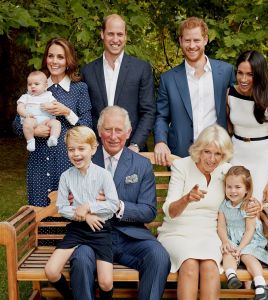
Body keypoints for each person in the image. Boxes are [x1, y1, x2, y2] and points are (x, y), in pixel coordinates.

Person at [69, 106, 171, 300]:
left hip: (130, 237)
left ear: (128, 133)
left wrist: (117, 206)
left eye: (119, 130)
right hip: (92, 236)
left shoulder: (141, 165)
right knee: (81, 260)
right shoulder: (83, 160)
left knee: (158, 256)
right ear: (99, 132)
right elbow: (72, 201)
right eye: (108, 129)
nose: (113, 136)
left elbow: (148, 211)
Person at [157, 125, 261, 300]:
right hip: (178, 231)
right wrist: (186, 199)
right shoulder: (181, 166)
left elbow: (244, 194)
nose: (212, 159)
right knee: (189, 264)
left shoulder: (226, 170)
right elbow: (169, 212)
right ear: (199, 150)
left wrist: (255, 204)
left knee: (210, 265)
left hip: (210, 232)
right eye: (207, 152)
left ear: (224, 155)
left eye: (218, 154)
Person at [13, 37, 92, 206]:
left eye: (60, 57)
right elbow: (15, 124)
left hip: (68, 161)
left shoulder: (79, 89)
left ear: (68, 60)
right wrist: (33, 132)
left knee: (69, 215)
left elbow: (88, 127)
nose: (54, 61)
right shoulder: (36, 85)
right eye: (50, 56)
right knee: (40, 214)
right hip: (39, 160)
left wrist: (67, 112)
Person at [45, 126, 119, 300]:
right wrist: (84, 216)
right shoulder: (66, 176)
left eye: (81, 148)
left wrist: (88, 207)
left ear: (93, 149)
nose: (76, 154)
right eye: (71, 150)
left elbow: (113, 204)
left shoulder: (104, 175)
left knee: (106, 282)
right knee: (51, 271)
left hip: (100, 230)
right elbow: (62, 207)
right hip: (77, 230)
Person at [154, 17, 235, 165]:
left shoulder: (225, 72)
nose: (192, 46)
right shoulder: (168, 78)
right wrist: (160, 141)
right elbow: (162, 117)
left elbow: (237, 108)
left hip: (218, 153)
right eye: (187, 40)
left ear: (205, 39)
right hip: (180, 155)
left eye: (196, 40)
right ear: (180, 41)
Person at [81, 14, 155, 152]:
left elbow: (148, 111)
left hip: (132, 150)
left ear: (126, 36)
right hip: (97, 151)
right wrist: (93, 143)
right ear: (102, 34)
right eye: (110, 34)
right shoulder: (87, 71)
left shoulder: (141, 69)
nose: (115, 39)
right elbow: (86, 112)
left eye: (120, 34)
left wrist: (135, 144)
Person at [227, 50, 268, 202]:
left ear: (259, 75)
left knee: (255, 208)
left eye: (250, 74)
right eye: (240, 73)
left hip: (262, 159)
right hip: (236, 155)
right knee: (233, 205)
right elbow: (227, 130)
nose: (243, 79)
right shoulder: (230, 94)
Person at [217, 166, 268, 300]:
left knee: (247, 256)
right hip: (232, 240)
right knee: (227, 253)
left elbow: (249, 230)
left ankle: (260, 283)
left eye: (237, 187)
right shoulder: (224, 205)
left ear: (247, 189)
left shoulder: (249, 205)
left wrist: (240, 248)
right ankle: (231, 276)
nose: (232, 191)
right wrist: (225, 242)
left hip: (249, 240)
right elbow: (221, 227)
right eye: (229, 187)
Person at [17, 71, 61, 151]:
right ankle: (30, 141)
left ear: (45, 86)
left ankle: (53, 138)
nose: (32, 86)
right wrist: (26, 114)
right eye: (30, 84)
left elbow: (55, 105)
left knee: (56, 123)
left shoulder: (48, 95)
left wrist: (50, 105)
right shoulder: (26, 97)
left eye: (36, 84)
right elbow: (20, 107)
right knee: (27, 123)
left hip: (47, 121)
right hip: (32, 120)